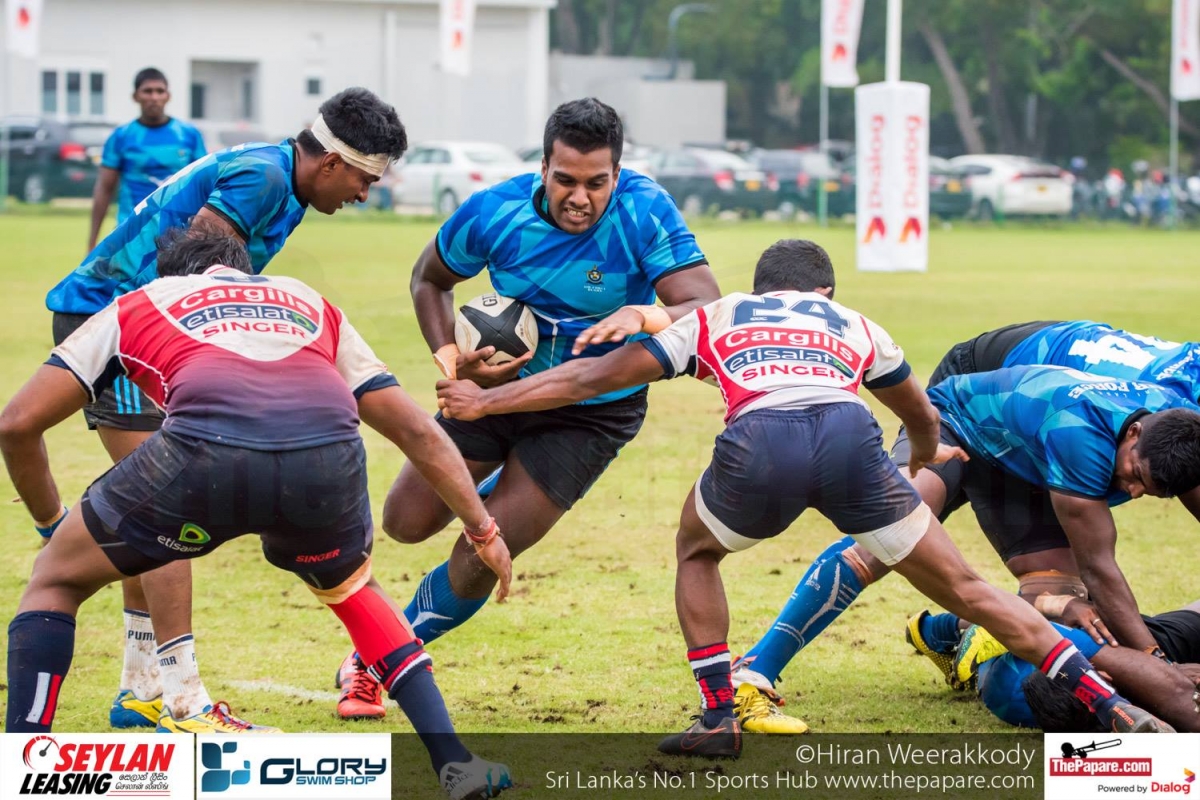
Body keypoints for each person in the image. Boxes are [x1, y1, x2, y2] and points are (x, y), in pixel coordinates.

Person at [436, 239, 1174, 755]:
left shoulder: (721, 313)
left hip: (762, 442)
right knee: (970, 590)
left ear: (762, 290)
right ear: (825, 294)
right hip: (853, 440)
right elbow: (921, 414)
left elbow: (590, 378)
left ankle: (718, 716)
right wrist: (922, 459)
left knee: (697, 551)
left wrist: (485, 403)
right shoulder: (857, 323)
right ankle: (1109, 705)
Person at [3, 232, 512, 799]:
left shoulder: (141, 301)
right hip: (325, 461)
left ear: (172, 276)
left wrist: (51, 527)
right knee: (353, 591)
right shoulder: (308, 300)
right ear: (245, 272)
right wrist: (482, 528)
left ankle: (24, 767)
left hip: (204, 454)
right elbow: (417, 429)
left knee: (56, 581)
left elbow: (16, 424)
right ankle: (455, 763)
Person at [333, 97, 721, 720]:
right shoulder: (496, 210)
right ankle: (496, 486)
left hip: (591, 410)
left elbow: (704, 303)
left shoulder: (644, 210)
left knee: (483, 553)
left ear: (617, 175)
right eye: (565, 180)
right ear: (542, 167)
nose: (580, 198)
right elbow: (429, 278)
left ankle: (377, 659)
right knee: (405, 522)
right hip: (491, 391)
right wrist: (451, 359)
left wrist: (644, 313)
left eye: (596, 183)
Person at [43, 86, 408, 732]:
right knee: (163, 508)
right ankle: (185, 701)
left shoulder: (282, 179)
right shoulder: (265, 178)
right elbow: (197, 283)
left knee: (152, 509)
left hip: (130, 322)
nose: (363, 193)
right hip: (116, 326)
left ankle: (140, 687)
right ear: (330, 162)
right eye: (364, 178)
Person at [732, 323, 1200, 714]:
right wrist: (1157, 665)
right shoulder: (1084, 434)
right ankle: (754, 671)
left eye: (1149, 493)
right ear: (1133, 433)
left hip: (1027, 455)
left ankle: (953, 631)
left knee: (1064, 599)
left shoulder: (1174, 425)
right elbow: (1099, 565)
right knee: (885, 537)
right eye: (1135, 476)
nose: (1132, 492)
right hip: (961, 417)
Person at [906, 602, 1200, 732]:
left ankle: (941, 628)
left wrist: (1165, 667)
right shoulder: (1045, 707)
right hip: (991, 674)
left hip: (1013, 638)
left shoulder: (1072, 647)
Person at [87, 67, 207, 251]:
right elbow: (105, 188)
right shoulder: (122, 136)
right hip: (132, 234)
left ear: (168, 96)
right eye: (147, 91)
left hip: (178, 234)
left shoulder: (189, 135)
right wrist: (92, 242)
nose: (154, 97)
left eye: (160, 91)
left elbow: (203, 185)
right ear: (136, 96)